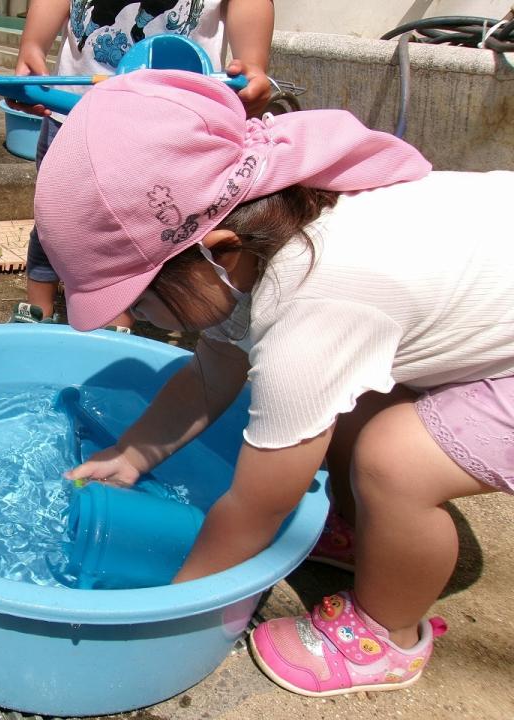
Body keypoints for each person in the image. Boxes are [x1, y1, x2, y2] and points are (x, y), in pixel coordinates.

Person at [33, 69, 514, 696]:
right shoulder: (261, 217)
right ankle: (364, 525)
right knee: (347, 404)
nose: (134, 319)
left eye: (141, 296)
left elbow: (261, 503)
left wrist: (177, 604)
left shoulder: (318, 301)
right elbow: (211, 373)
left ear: (216, 249)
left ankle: (387, 634)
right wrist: (132, 453)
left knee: (395, 464)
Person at [9, 0, 274, 327]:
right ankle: (38, 309)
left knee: (146, 228)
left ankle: (118, 320)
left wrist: (252, 63)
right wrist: (33, 43)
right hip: (75, 111)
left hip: (173, 127)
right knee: (58, 219)